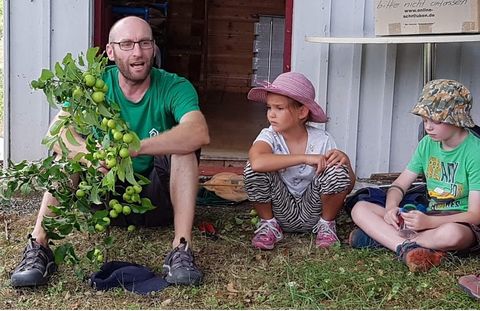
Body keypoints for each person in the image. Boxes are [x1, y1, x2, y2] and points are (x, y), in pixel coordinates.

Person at [10, 16, 210, 287]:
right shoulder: (93, 86)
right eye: (127, 44)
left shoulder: (174, 86)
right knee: (66, 158)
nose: (138, 52)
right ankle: (38, 247)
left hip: (157, 199)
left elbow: (199, 132)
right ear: (110, 51)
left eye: (145, 43)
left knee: (184, 147)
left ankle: (181, 249)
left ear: (154, 48)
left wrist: (136, 147)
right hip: (103, 199)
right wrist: (88, 156)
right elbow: (55, 134)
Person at [349, 79, 480, 272]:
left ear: (457, 119)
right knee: (360, 208)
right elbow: (399, 185)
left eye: (436, 120)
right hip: (427, 215)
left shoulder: (474, 152)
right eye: (424, 119)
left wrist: (430, 222)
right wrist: (390, 209)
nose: (428, 127)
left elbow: (475, 215)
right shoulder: (427, 144)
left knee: (452, 235)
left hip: (459, 222)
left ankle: (387, 240)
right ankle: (408, 247)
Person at [243, 72, 356, 250]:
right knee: (252, 169)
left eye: (279, 108)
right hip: (279, 211)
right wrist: (304, 158)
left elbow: (346, 186)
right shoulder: (269, 136)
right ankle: (268, 225)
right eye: (269, 108)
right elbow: (257, 161)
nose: (271, 114)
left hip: (314, 212)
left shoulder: (322, 140)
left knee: (336, 168)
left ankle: (326, 227)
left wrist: (346, 162)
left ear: (302, 112)